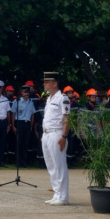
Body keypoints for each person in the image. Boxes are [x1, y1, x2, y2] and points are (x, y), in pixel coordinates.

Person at [41, 72, 70, 206]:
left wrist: (64, 136)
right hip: (47, 134)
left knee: (60, 166)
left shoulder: (62, 98)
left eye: (47, 82)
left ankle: (63, 197)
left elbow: (66, 119)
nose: (44, 84)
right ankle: (57, 194)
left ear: (55, 83)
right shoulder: (49, 98)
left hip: (56, 134)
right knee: (51, 166)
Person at [12, 84, 35, 167]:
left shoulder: (31, 102)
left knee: (26, 143)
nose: (26, 94)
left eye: (28, 92)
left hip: (27, 124)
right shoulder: (17, 101)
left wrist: (31, 126)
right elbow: (13, 114)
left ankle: (24, 161)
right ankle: (18, 161)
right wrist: (13, 126)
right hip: (19, 123)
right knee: (19, 143)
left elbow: (32, 115)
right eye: (25, 92)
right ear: (22, 92)